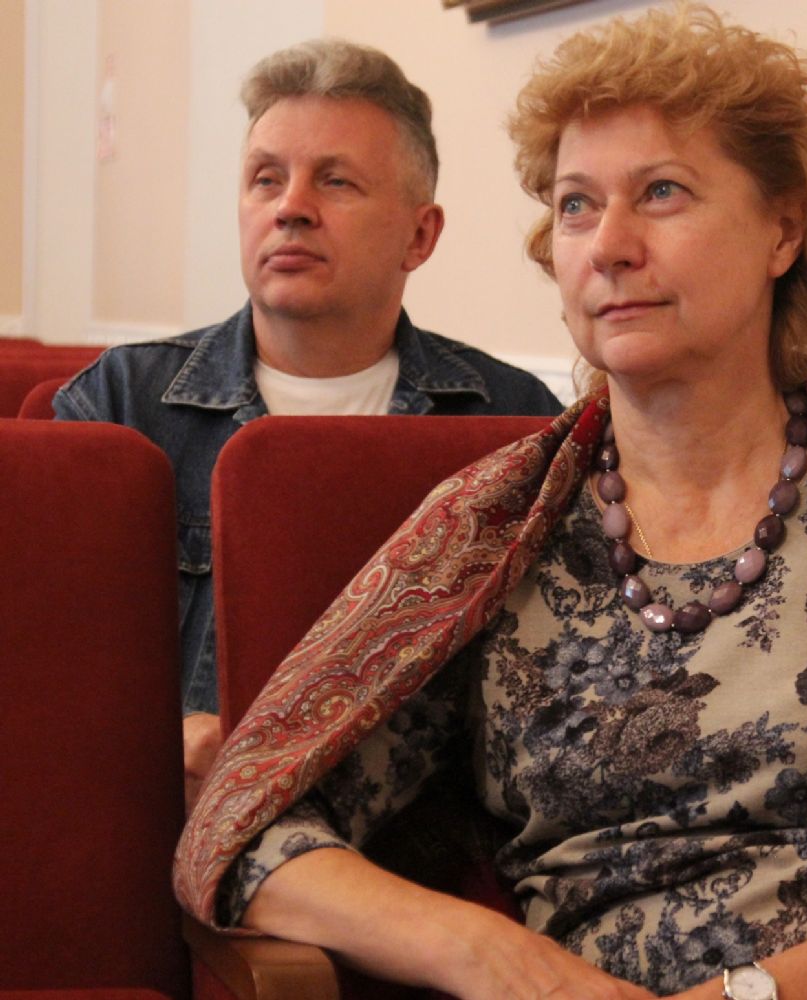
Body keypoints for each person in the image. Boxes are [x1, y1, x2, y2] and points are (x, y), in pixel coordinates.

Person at [175, 7, 807, 999]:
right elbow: (249, 825)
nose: (609, 245)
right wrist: (496, 959)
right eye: (577, 206)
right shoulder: (492, 535)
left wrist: (741, 998)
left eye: (662, 192)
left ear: (783, 229)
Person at [53, 39, 562, 808]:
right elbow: (50, 668)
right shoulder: (121, 405)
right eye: (266, 179)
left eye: (335, 180)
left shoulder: (513, 419)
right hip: (175, 814)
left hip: (417, 828)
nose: (289, 207)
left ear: (419, 236)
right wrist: (159, 739)